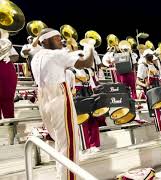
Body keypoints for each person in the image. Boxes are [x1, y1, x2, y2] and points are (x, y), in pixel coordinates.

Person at [31, 28, 94, 180]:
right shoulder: (56, 54)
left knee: (60, 143)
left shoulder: (36, 56)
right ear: (45, 41)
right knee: (69, 143)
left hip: (44, 97)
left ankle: (61, 176)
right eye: (57, 38)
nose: (61, 40)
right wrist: (89, 46)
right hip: (58, 95)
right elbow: (87, 62)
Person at [0, 29, 19, 120]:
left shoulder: (5, 43)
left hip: (6, 69)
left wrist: (8, 57)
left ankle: (10, 125)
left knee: (7, 98)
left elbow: (16, 57)